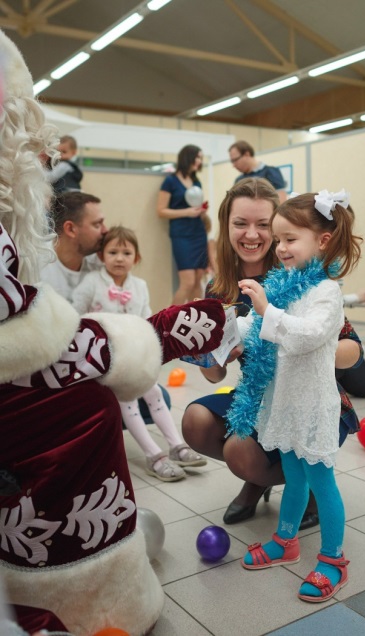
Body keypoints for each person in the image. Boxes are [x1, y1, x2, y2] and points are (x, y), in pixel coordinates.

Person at [0, 30, 226, 635]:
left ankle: (168, 446)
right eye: (98, 226)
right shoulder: (43, 267)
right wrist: (156, 337)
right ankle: (95, 579)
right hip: (56, 544)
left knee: (139, 390)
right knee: (97, 402)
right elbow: (36, 344)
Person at [182, 179, 363, 531]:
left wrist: (296, 340)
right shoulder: (219, 288)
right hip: (258, 395)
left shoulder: (299, 273)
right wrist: (207, 349)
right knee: (195, 422)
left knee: (239, 450)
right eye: (240, 223)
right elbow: (216, 373)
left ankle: (280, 479)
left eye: (263, 225)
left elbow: (352, 352)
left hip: (309, 396)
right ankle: (265, 473)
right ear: (226, 225)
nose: (252, 235)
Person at [231, 189, 361, 604]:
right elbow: (254, 329)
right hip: (283, 402)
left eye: (290, 239)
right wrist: (224, 334)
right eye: (279, 238)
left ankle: (333, 559)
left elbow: (308, 337)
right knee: (294, 476)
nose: (280, 247)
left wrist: (268, 310)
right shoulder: (284, 284)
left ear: (322, 241)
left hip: (313, 406)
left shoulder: (326, 291)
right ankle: (286, 540)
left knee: (322, 483)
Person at [72, 225, 207, 481]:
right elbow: (76, 316)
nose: (120, 258)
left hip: (135, 356)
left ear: (136, 257)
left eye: (126, 252)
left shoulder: (140, 286)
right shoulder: (91, 282)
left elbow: (147, 322)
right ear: (102, 256)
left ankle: (176, 445)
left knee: (154, 392)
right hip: (107, 362)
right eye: (113, 252)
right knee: (128, 400)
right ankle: (154, 455)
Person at [42, 190, 172, 422]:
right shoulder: (39, 267)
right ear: (71, 229)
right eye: (97, 223)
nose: (105, 230)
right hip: (58, 366)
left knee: (158, 398)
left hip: (105, 359)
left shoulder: (101, 263)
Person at [157, 144, 209, 304]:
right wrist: (186, 212)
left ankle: (198, 318)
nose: (199, 161)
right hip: (181, 235)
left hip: (198, 232)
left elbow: (195, 206)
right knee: (187, 282)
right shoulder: (170, 181)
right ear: (188, 158)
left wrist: (201, 210)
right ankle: (170, 321)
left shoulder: (196, 181)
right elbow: (161, 211)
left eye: (201, 158)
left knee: (198, 279)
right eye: (197, 157)